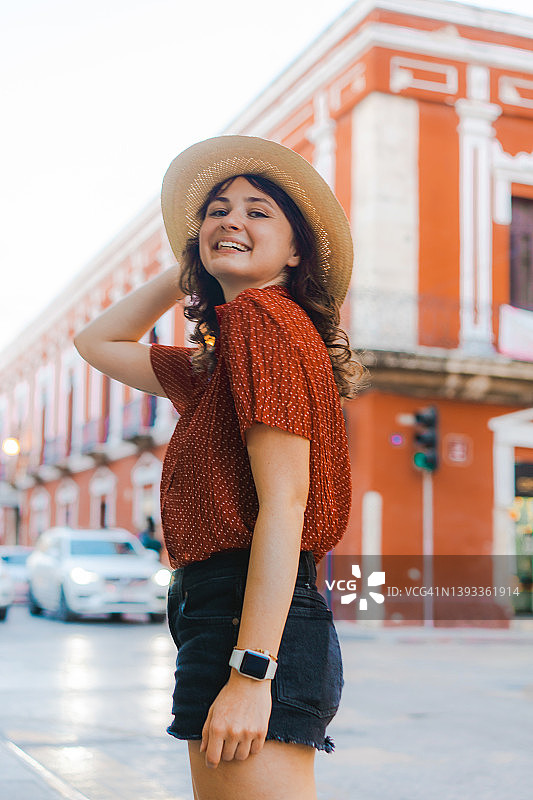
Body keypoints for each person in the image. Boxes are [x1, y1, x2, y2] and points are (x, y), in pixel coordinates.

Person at [74, 135, 366, 800]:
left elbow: (285, 505)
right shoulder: (224, 352)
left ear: (295, 252)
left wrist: (250, 672)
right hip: (219, 610)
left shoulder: (264, 319)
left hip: (247, 617)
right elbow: (96, 343)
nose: (230, 219)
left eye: (257, 211)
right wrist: (194, 268)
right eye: (215, 210)